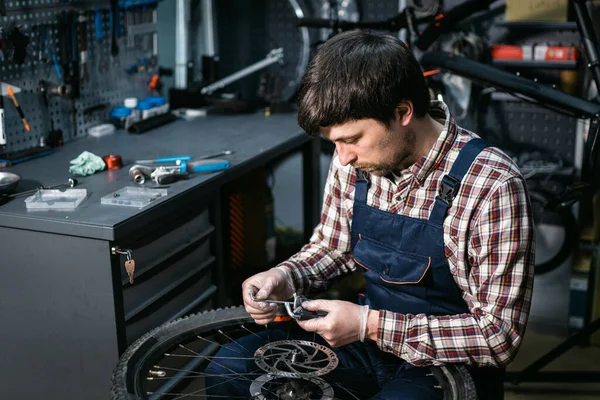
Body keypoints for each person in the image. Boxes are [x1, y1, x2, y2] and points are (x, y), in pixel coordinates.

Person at [207, 30, 535, 400]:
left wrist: (370, 325)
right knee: (230, 366)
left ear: (402, 112)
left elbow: (498, 337)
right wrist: (286, 275)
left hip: (448, 362)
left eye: (352, 139)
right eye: (334, 143)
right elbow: (334, 245)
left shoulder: (491, 184)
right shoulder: (355, 159)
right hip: (364, 340)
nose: (342, 157)